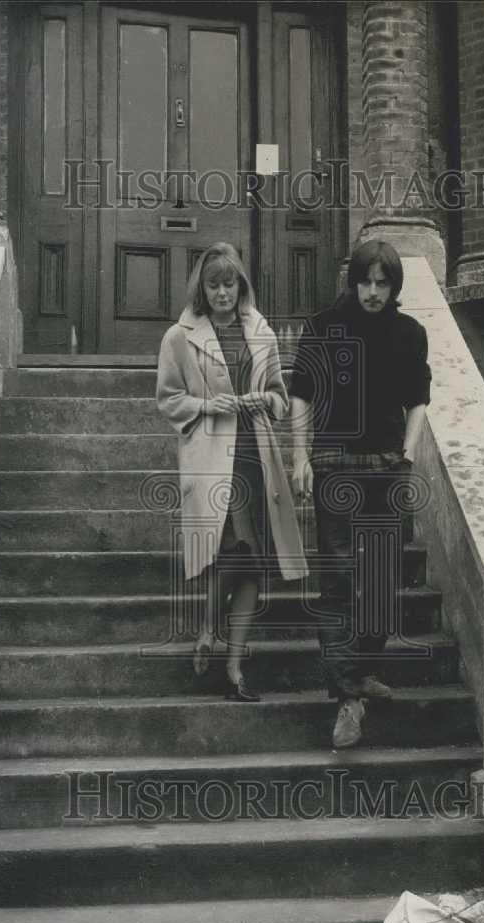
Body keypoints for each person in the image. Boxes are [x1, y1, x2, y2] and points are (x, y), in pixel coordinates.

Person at [289, 239, 431, 748]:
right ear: (353, 281)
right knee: (339, 576)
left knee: (383, 575)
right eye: (365, 282)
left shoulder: (410, 333)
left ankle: (363, 668)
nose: (372, 292)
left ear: (394, 285)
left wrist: (408, 456)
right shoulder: (323, 328)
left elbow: (418, 400)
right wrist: (298, 455)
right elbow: (301, 392)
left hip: (386, 465)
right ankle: (349, 696)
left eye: (382, 282)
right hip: (334, 464)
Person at [157, 243, 308, 701]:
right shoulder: (180, 336)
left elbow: (281, 393)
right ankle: (207, 629)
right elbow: (167, 399)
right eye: (213, 284)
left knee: (252, 562)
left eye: (230, 283)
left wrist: (270, 401)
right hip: (210, 456)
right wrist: (207, 404)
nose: (222, 293)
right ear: (201, 289)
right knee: (231, 550)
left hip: (254, 455)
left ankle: (235, 664)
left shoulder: (260, 330)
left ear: (241, 285)